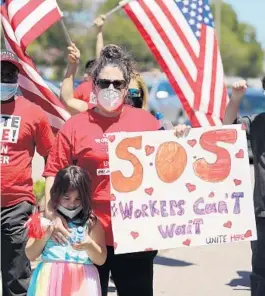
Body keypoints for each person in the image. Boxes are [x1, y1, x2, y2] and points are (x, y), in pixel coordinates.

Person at [43, 43, 188, 296]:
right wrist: (53, 213)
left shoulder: (146, 123)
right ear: (94, 84)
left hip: (136, 234)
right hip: (85, 233)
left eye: (118, 83)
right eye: (104, 82)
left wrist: (179, 139)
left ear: (127, 85)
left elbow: (169, 167)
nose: (111, 89)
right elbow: (54, 171)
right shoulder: (75, 126)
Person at [0, 50, 55, 296]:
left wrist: (48, 196)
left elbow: (52, 156)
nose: (5, 79)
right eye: (1, 73)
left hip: (16, 205)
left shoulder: (33, 113)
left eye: (11, 74)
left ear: (18, 79)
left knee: (16, 277)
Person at [26, 165, 106, 296]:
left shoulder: (91, 222)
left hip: (82, 285)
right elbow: (29, 254)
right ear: (56, 194)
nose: (72, 204)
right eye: (66, 198)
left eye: (78, 199)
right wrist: (45, 235)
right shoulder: (44, 220)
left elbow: (101, 259)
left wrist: (89, 245)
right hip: (50, 283)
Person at [223, 77, 265, 296]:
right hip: (262, 213)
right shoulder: (257, 123)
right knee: (261, 274)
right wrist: (235, 99)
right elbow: (227, 127)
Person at [61, 15, 105, 115]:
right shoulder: (85, 90)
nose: (112, 86)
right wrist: (73, 64)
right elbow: (67, 102)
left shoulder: (126, 113)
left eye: (117, 83)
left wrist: (100, 32)